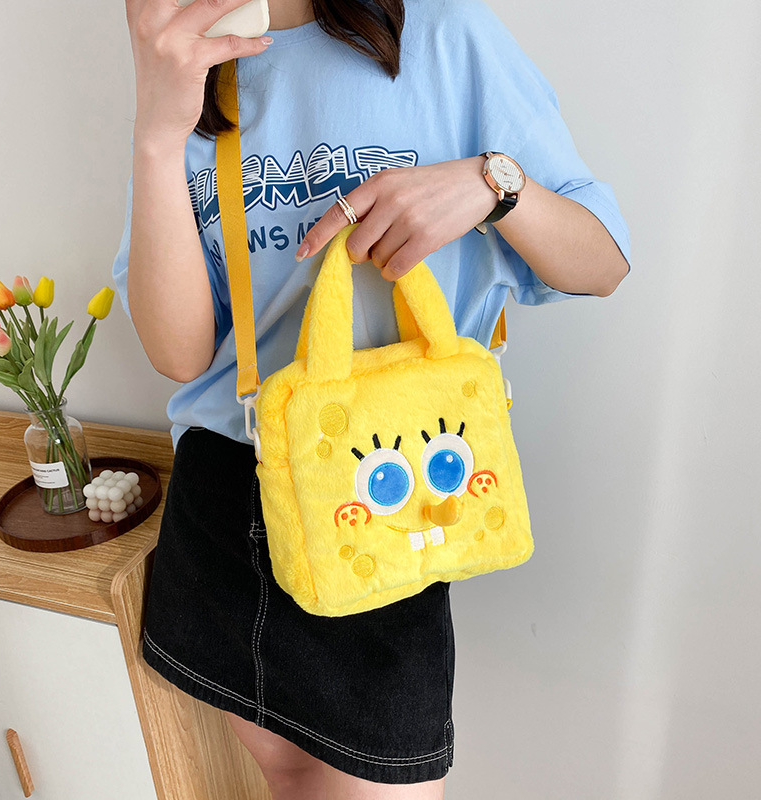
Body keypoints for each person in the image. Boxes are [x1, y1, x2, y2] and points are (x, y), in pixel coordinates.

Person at [113, 0, 631, 796]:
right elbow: (179, 354)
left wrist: (491, 183)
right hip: (224, 503)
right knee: (285, 779)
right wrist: (156, 130)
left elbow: (603, 263)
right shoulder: (193, 66)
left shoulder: (444, 33)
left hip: (388, 500)